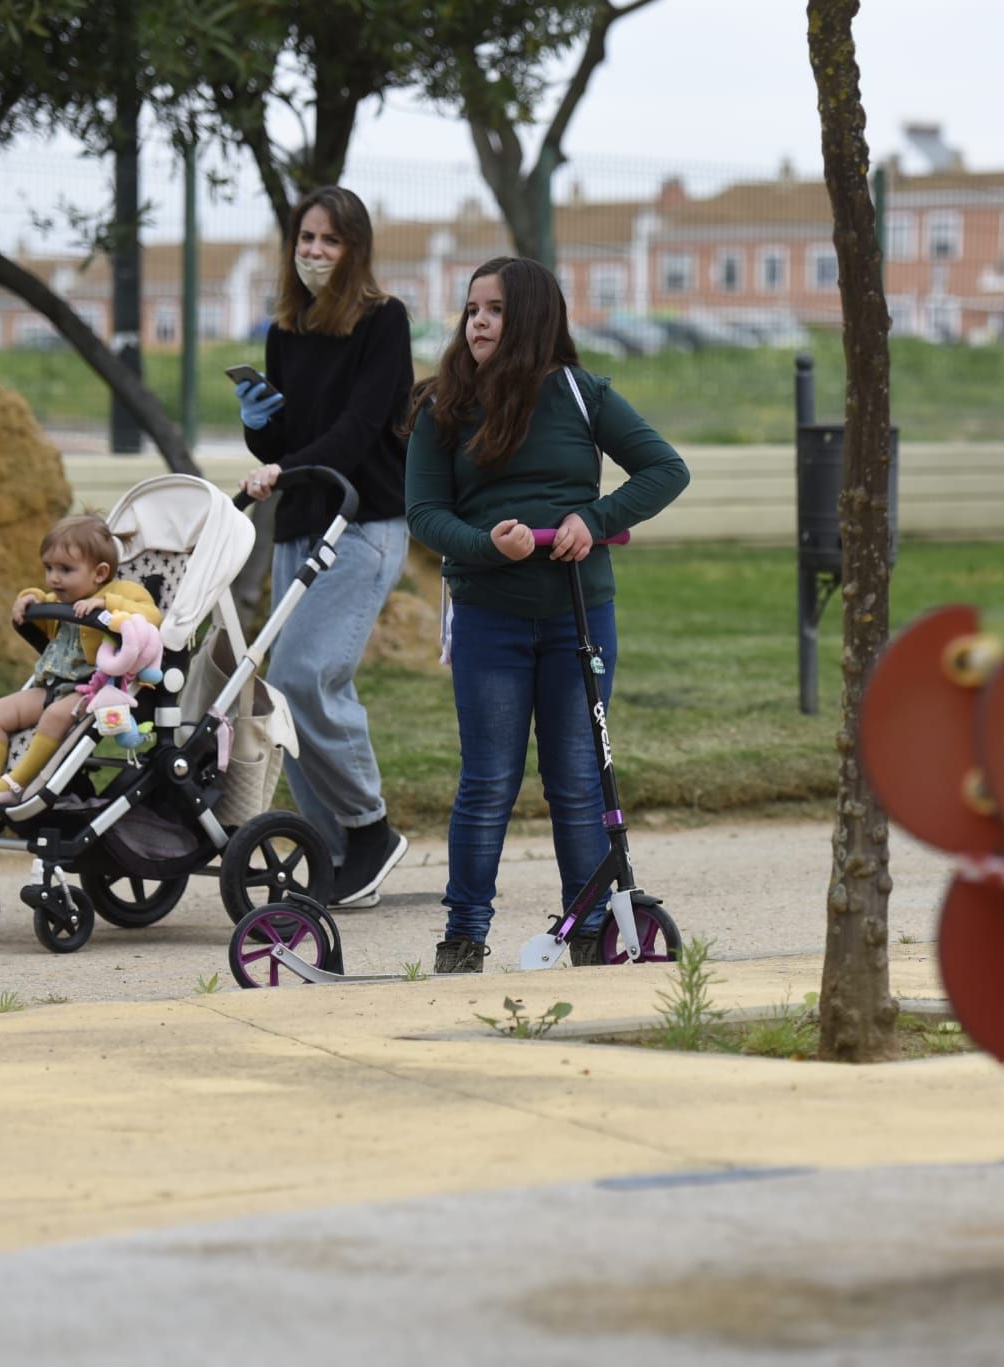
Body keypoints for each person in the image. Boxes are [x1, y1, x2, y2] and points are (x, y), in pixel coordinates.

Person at [405, 257, 689, 974]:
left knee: (576, 779)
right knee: (489, 780)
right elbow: (424, 512)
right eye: (472, 309)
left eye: (495, 309)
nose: (477, 321)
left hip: (577, 616)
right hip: (488, 618)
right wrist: (484, 547)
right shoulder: (444, 405)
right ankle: (464, 932)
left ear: (530, 318)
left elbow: (665, 470)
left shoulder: (583, 394)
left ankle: (589, 927)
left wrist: (594, 519)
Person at [236, 185, 413, 909]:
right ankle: (334, 850)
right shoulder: (287, 328)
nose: (314, 252)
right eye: (305, 239)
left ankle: (368, 829)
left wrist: (290, 464)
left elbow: (359, 427)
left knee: (311, 676)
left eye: (329, 241)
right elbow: (284, 437)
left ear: (355, 250)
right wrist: (259, 429)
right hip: (304, 522)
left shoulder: (384, 322)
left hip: (363, 522)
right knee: (283, 690)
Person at [0, 514, 163, 807]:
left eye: (65, 569)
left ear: (99, 573)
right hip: (51, 686)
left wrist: (106, 605)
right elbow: (42, 603)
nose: (54, 577)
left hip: (90, 690)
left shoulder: (120, 592)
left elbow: (152, 615)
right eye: (48, 568)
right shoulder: (62, 600)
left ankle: (13, 784)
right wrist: (29, 598)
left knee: (55, 717)